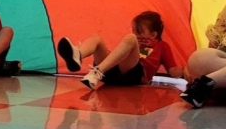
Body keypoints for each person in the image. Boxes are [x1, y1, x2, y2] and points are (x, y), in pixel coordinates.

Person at [56, 11, 184, 90]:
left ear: (153, 34)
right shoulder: (134, 42)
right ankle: (78, 55)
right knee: (96, 38)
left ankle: (97, 72)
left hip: (134, 76)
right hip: (113, 72)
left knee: (130, 38)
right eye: (134, 30)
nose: (135, 34)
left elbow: (173, 72)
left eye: (139, 31)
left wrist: (187, 68)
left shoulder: (162, 46)